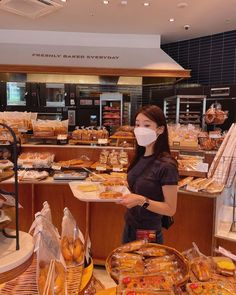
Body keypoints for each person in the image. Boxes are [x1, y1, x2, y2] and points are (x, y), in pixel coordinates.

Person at [118, 105, 178, 244]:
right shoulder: (140, 156)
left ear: (160, 129)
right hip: (129, 228)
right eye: (137, 125)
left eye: (146, 125)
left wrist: (140, 200)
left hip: (148, 233)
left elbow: (170, 209)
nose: (140, 129)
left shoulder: (166, 165)